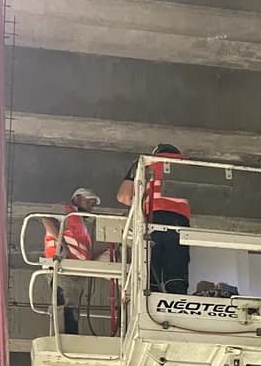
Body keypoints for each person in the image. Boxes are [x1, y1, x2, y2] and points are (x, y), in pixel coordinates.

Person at [117, 143, 191, 294]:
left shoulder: (145, 163)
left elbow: (124, 196)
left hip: (153, 219)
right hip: (180, 223)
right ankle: (176, 302)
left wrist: (139, 200)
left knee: (150, 274)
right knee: (176, 273)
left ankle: (151, 300)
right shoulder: (189, 166)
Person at [39, 188, 101, 336]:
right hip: (61, 266)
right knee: (65, 304)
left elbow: (84, 252)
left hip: (75, 271)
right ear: (77, 198)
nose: (91, 207)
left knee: (72, 306)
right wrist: (62, 245)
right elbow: (46, 219)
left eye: (93, 204)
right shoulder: (66, 210)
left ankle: (70, 336)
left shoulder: (81, 225)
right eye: (89, 202)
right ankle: (63, 337)